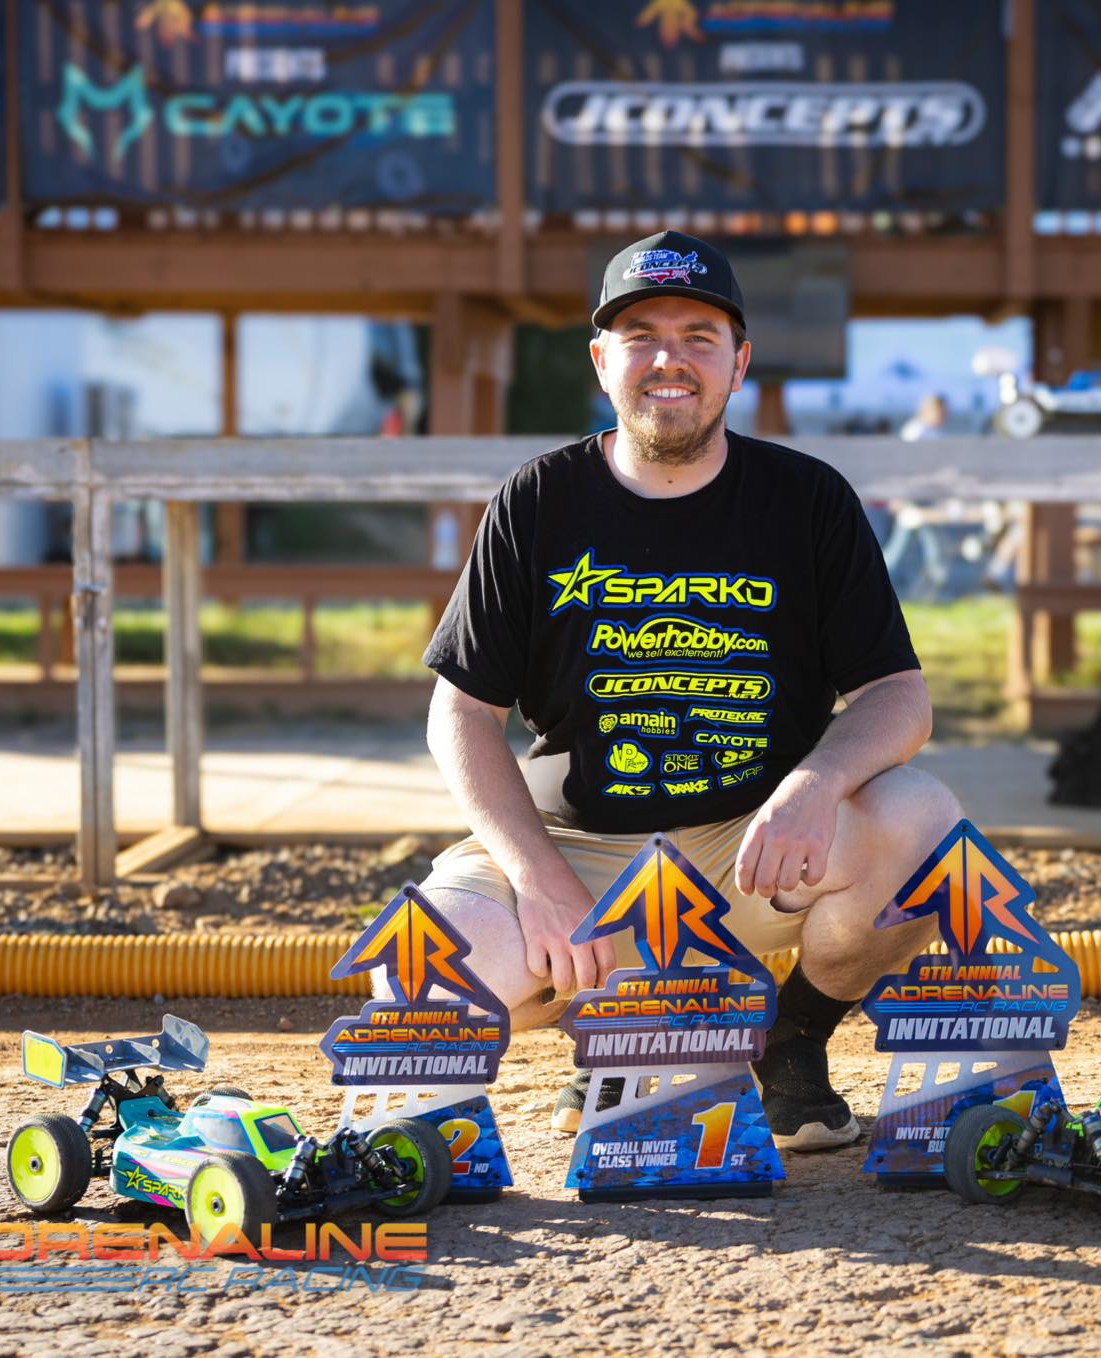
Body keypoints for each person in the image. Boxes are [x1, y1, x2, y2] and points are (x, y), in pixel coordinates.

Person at [413, 230, 961, 1153]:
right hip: (579, 849)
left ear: (738, 362)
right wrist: (537, 877)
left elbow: (897, 695)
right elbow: (460, 714)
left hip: (750, 847)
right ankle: (613, 1040)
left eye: (700, 335)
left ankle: (791, 1042)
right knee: (430, 969)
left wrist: (815, 784)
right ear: (602, 360)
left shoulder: (808, 501)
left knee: (920, 821)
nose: (671, 358)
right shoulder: (538, 501)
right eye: (641, 334)